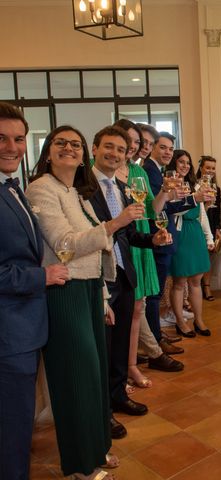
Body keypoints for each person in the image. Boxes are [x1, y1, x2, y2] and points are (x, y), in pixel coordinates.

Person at [27, 125, 126, 479]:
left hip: (87, 291)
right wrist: (115, 224)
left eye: (75, 144)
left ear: (83, 153)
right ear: (48, 150)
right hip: (64, 293)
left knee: (93, 377)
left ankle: (96, 450)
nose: (68, 148)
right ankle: (80, 468)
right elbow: (66, 245)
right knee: (75, 381)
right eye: (60, 143)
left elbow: (94, 255)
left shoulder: (78, 193)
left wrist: (102, 298)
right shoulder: (40, 189)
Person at [0, 102, 68, 480]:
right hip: (8, 332)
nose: (11, 147)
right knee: (11, 431)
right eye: (2, 138)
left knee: (18, 425)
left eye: (19, 139)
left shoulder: (12, 187)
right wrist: (40, 278)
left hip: (24, 325)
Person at [89, 126, 171, 425]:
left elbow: (129, 234)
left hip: (125, 272)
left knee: (123, 338)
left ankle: (119, 395)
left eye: (121, 150)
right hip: (100, 275)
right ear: (95, 148)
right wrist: (119, 221)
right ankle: (103, 412)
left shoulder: (122, 188)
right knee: (105, 344)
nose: (114, 154)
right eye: (108, 147)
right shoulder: (84, 188)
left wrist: (153, 240)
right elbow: (96, 233)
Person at [113, 119, 181, 392]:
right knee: (125, 308)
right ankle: (130, 364)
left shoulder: (138, 174)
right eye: (130, 141)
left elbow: (153, 209)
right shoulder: (107, 173)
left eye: (138, 143)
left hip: (141, 236)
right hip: (121, 240)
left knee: (138, 306)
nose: (134, 147)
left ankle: (131, 364)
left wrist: (165, 192)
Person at [142, 131, 196, 340]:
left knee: (156, 292)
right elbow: (160, 209)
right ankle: (156, 340)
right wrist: (192, 199)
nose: (167, 152)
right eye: (162, 147)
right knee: (154, 294)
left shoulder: (158, 171)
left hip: (164, 235)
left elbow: (167, 205)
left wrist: (191, 199)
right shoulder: (150, 171)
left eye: (170, 148)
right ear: (153, 147)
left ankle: (157, 336)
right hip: (158, 236)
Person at [168, 149, 214, 337]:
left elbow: (202, 214)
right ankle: (179, 320)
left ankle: (198, 319)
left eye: (188, 162)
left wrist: (209, 237)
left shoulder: (195, 185)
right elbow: (172, 211)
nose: (185, 165)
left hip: (195, 232)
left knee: (196, 279)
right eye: (181, 162)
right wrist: (192, 199)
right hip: (180, 232)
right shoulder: (169, 185)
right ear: (173, 164)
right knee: (179, 281)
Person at [197, 155, 221, 302]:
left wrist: (218, 228)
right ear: (201, 168)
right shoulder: (194, 186)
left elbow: (216, 211)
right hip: (196, 225)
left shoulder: (215, 188)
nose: (210, 171)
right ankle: (194, 287)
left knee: (208, 257)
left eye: (213, 168)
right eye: (208, 167)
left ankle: (206, 286)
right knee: (196, 257)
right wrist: (205, 205)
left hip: (211, 225)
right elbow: (197, 211)